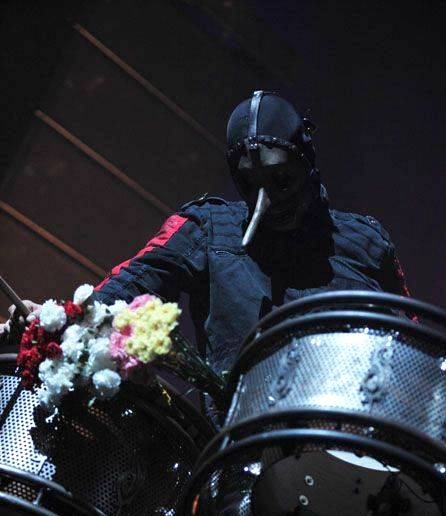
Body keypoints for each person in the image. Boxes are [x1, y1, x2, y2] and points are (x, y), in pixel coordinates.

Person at [1, 91, 409, 381]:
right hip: (244, 455)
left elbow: (411, 352)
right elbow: (130, 285)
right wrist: (59, 319)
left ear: (307, 162)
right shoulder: (207, 227)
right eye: (250, 184)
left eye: (281, 179)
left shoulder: (367, 241)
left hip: (357, 452)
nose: (266, 199)